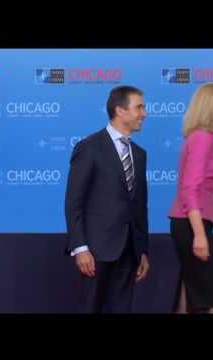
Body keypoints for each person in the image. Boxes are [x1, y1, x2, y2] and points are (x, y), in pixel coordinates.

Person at [65, 85, 150, 313]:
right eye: (139, 107)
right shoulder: (89, 147)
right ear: (120, 111)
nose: (144, 113)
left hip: (129, 252)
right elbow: (74, 202)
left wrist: (142, 250)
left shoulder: (140, 154)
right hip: (96, 250)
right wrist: (80, 247)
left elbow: (139, 206)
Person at [169, 83, 213, 314]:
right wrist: (199, 235)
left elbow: (201, 186)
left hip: (193, 222)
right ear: (212, 107)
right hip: (191, 225)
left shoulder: (203, 138)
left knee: (190, 299)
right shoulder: (202, 139)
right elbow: (190, 188)